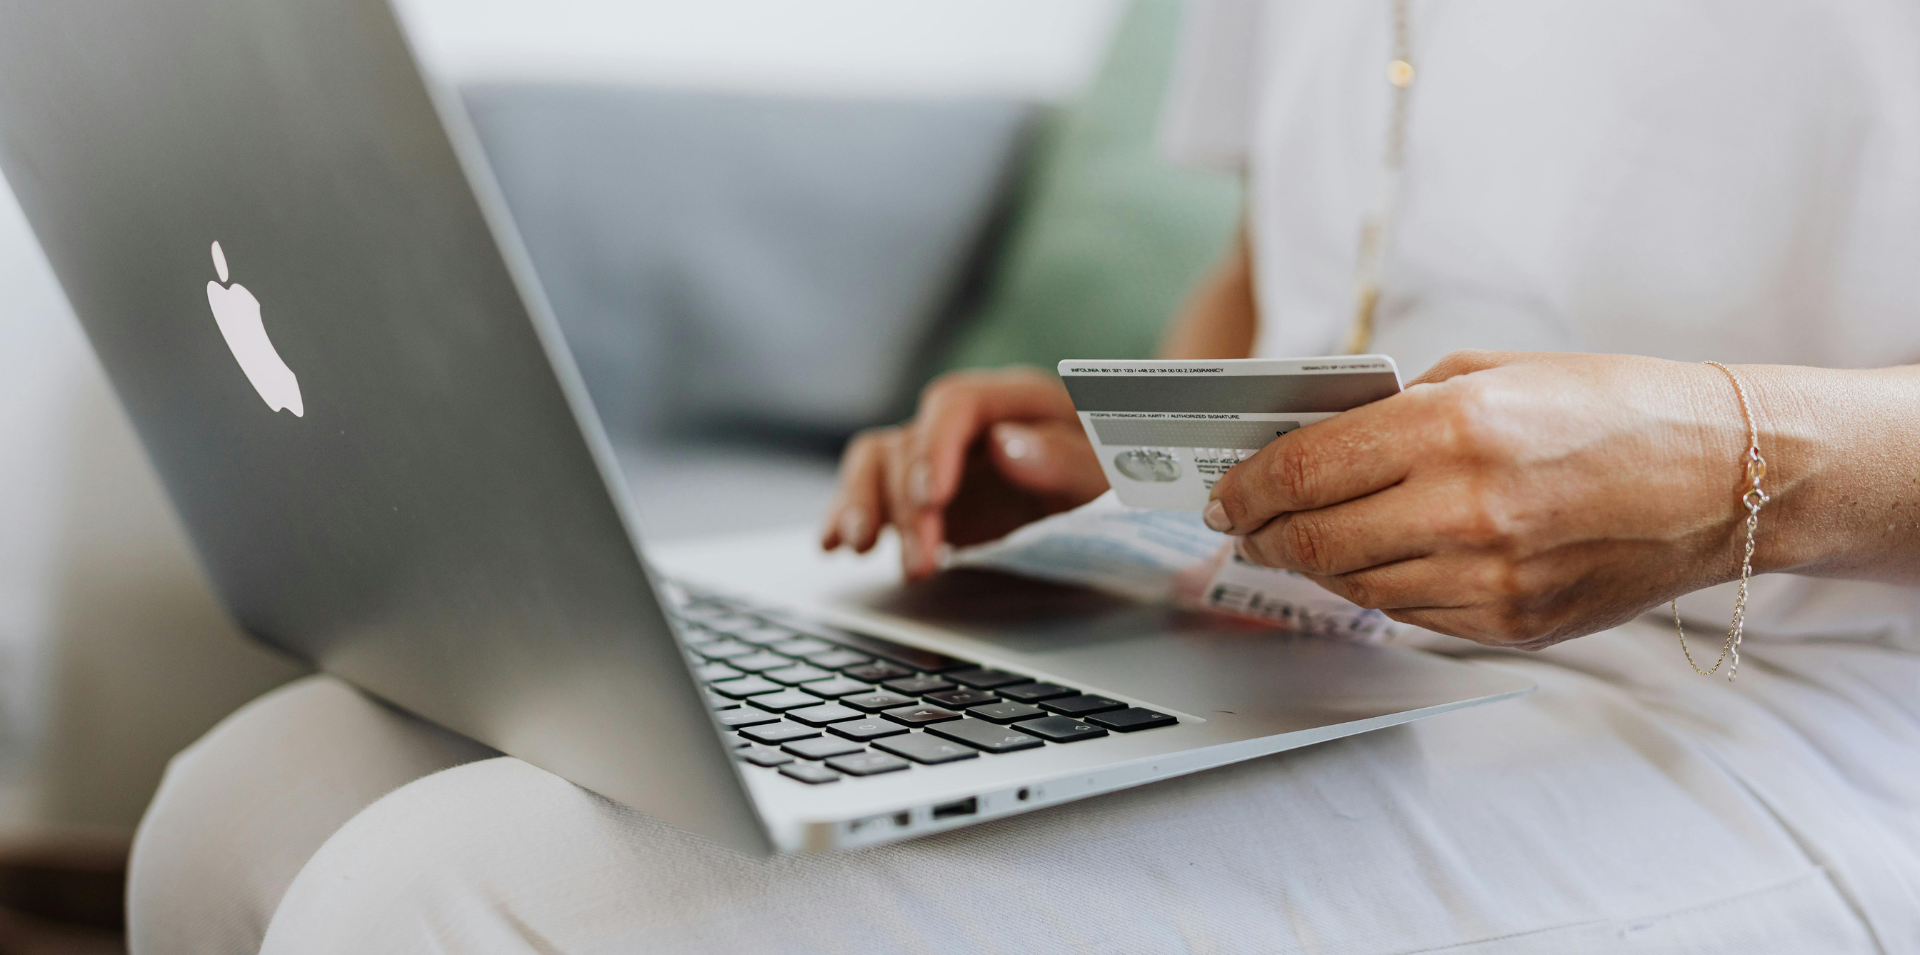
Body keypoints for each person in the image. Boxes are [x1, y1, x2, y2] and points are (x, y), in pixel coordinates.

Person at [129, 2, 1920, 953]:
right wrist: (1162, 449)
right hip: (1308, 626)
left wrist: (1731, 459)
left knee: (441, 905)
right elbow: (1280, 251)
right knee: (254, 796)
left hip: (1784, 699)